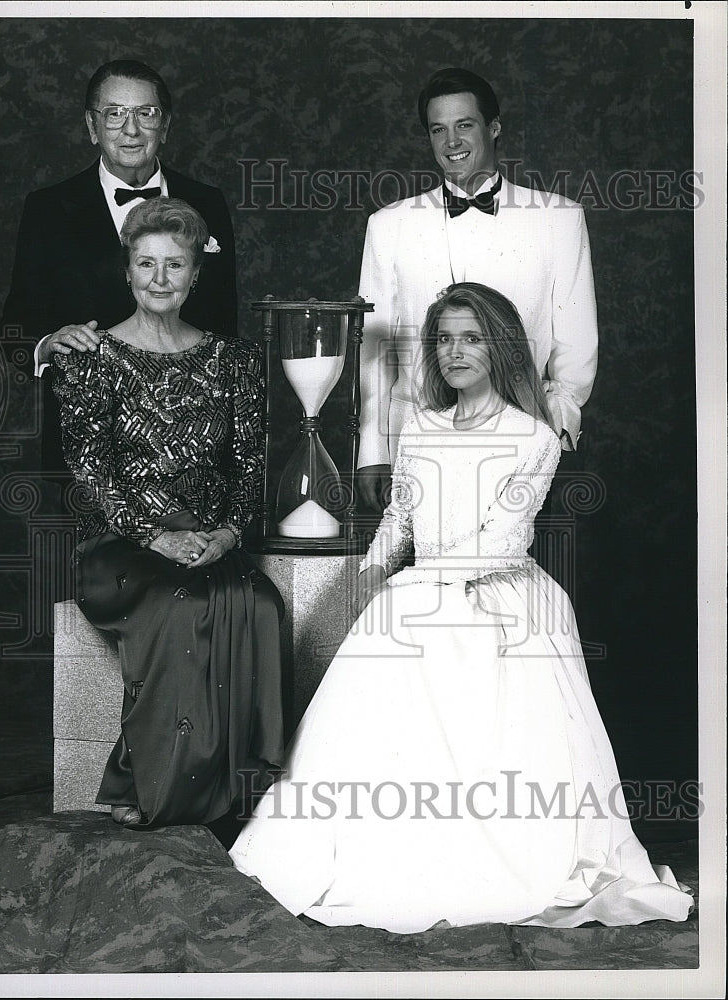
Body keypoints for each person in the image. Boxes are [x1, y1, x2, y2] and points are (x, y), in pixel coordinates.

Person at [228, 283, 692, 932]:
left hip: (495, 590)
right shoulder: (420, 425)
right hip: (422, 584)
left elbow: (501, 537)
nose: (454, 351)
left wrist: (426, 586)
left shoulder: (531, 436)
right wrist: (366, 578)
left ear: (497, 346)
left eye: (469, 338)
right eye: (443, 339)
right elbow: (400, 517)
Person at [51, 197, 281, 834]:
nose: (158, 278)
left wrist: (230, 531)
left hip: (210, 541)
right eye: (145, 263)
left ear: (194, 276)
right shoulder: (88, 358)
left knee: (260, 604)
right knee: (180, 606)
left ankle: (238, 791)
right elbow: (91, 472)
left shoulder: (233, 361)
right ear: (127, 270)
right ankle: (163, 793)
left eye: (173, 265)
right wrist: (154, 536)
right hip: (119, 546)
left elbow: (250, 463)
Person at [357, 67, 598, 512]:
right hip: (415, 444)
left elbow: (576, 347)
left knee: (508, 574)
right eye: (438, 129)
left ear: (494, 127)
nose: (452, 142)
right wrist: (372, 453)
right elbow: (374, 352)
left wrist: (553, 430)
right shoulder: (387, 226)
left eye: (464, 125)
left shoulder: (559, 219)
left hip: (522, 443)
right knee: (416, 573)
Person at [0, 58, 237, 489]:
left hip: (191, 452)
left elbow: (225, 327)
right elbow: (12, 330)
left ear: (165, 126)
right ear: (92, 126)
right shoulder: (48, 209)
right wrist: (48, 344)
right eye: (115, 114)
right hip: (84, 458)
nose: (131, 130)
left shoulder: (209, 203)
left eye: (146, 113)